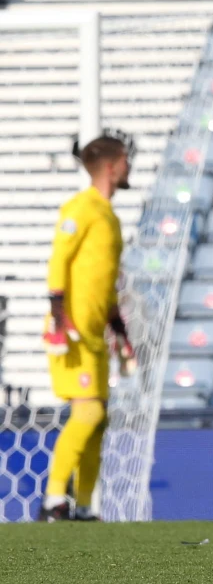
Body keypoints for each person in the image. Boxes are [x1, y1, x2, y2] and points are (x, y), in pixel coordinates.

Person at [41, 134, 136, 522]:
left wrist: (120, 331)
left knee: (100, 422)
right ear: (112, 166)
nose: (130, 167)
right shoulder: (80, 208)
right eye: (126, 161)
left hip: (96, 334)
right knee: (88, 414)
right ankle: (52, 500)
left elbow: (104, 281)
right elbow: (58, 259)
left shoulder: (110, 217)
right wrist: (59, 314)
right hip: (73, 330)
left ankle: (82, 505)